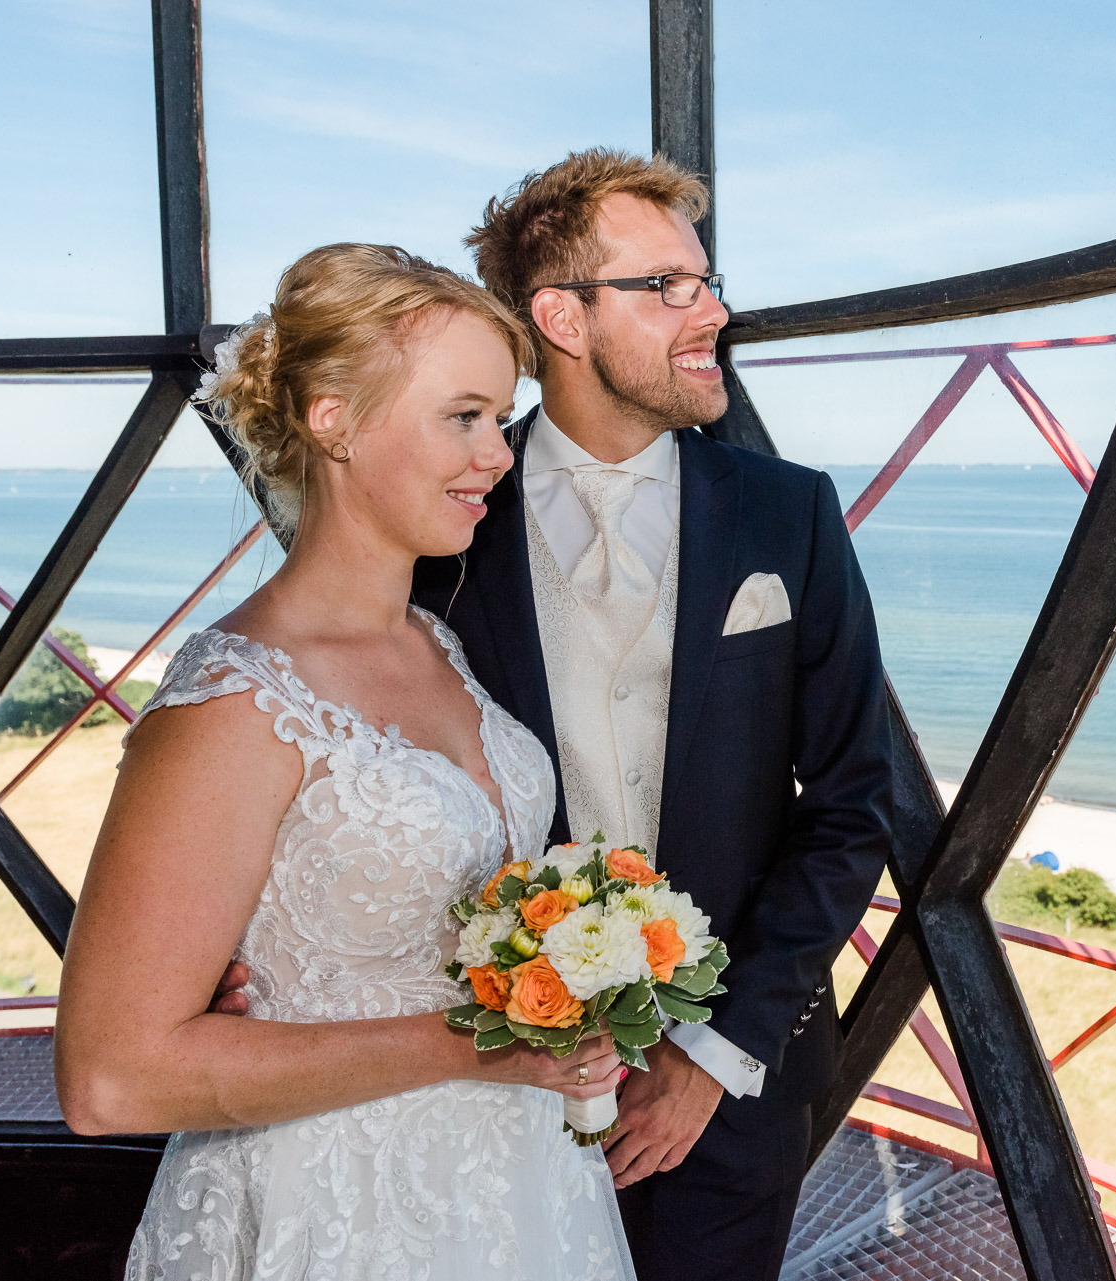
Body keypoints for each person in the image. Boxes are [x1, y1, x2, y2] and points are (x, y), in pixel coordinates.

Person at [55, 245, 634, 1280]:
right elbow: (112, 1077)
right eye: (462, 416)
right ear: (334, 420)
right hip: (329, 1215)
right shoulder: (235, 700)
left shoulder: (436, 645)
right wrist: (478, 1044)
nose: (499, 454)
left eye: (498, 419)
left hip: (517, 1191)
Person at [421, 149, 893, 1279]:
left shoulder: (792, 514)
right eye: (668, 287)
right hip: (489, 1080)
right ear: (562, 318)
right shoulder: (440, 524)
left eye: (707, 280)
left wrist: (709, 1055)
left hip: (731, 1103)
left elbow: (851, 806)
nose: (713, 311)